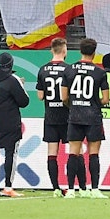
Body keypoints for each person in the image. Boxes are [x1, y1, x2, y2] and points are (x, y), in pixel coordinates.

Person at [63, 39, 110, 198]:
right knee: (94, 153)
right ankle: (95, 189)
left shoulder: (69, 70)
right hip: (93, 116)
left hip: (75, 115)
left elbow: (63, 97)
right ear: (94, 53)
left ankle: (70, 190)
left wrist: (75, 104)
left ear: (80, 51)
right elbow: (105, 99)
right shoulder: (100, 72)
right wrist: (94, 104)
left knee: (73, 153)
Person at [0, 52, 29, 196]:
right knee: (11, 154)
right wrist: (20, 86)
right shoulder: (13, 79)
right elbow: (24, 102)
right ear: (11, 64)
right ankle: (8, 187)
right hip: (10, 123)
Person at [35, 38, 74, 196]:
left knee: (52, 153)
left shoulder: (43, 70)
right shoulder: (69, 69)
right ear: (64, 51)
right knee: (73, 151)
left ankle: (56, 188)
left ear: (51, 50)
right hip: (67, 116)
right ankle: (72, 187)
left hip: (50, 116)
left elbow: (40, 96)